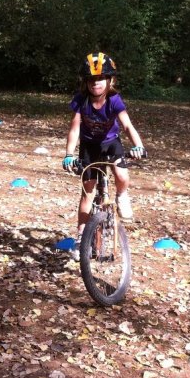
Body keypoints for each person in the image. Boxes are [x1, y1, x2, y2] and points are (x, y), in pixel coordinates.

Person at [62, 52, 145, 257]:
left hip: (111, 144)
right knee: (87, 194)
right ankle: (82, 237)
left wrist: (139, 145)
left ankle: (121, 195)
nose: (95, 83)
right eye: (91, 79)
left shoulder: (114, 100)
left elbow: (126, 125)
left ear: (110, 80)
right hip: (89, 147)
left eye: (100, 79)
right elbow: (74, 129)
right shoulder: (81, 101)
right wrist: (68, 154)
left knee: (121, 175)